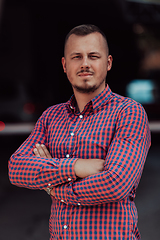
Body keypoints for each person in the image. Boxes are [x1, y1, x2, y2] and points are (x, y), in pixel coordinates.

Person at [9, 24, 151, 240]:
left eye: (93, 56)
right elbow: (17, 168)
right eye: (77, 57)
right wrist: (77, 166)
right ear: (65, 65)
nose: (85, 64)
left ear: (108, 63)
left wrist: (54, 189)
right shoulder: (50, 117)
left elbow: (115, 183)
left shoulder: (128, 112)